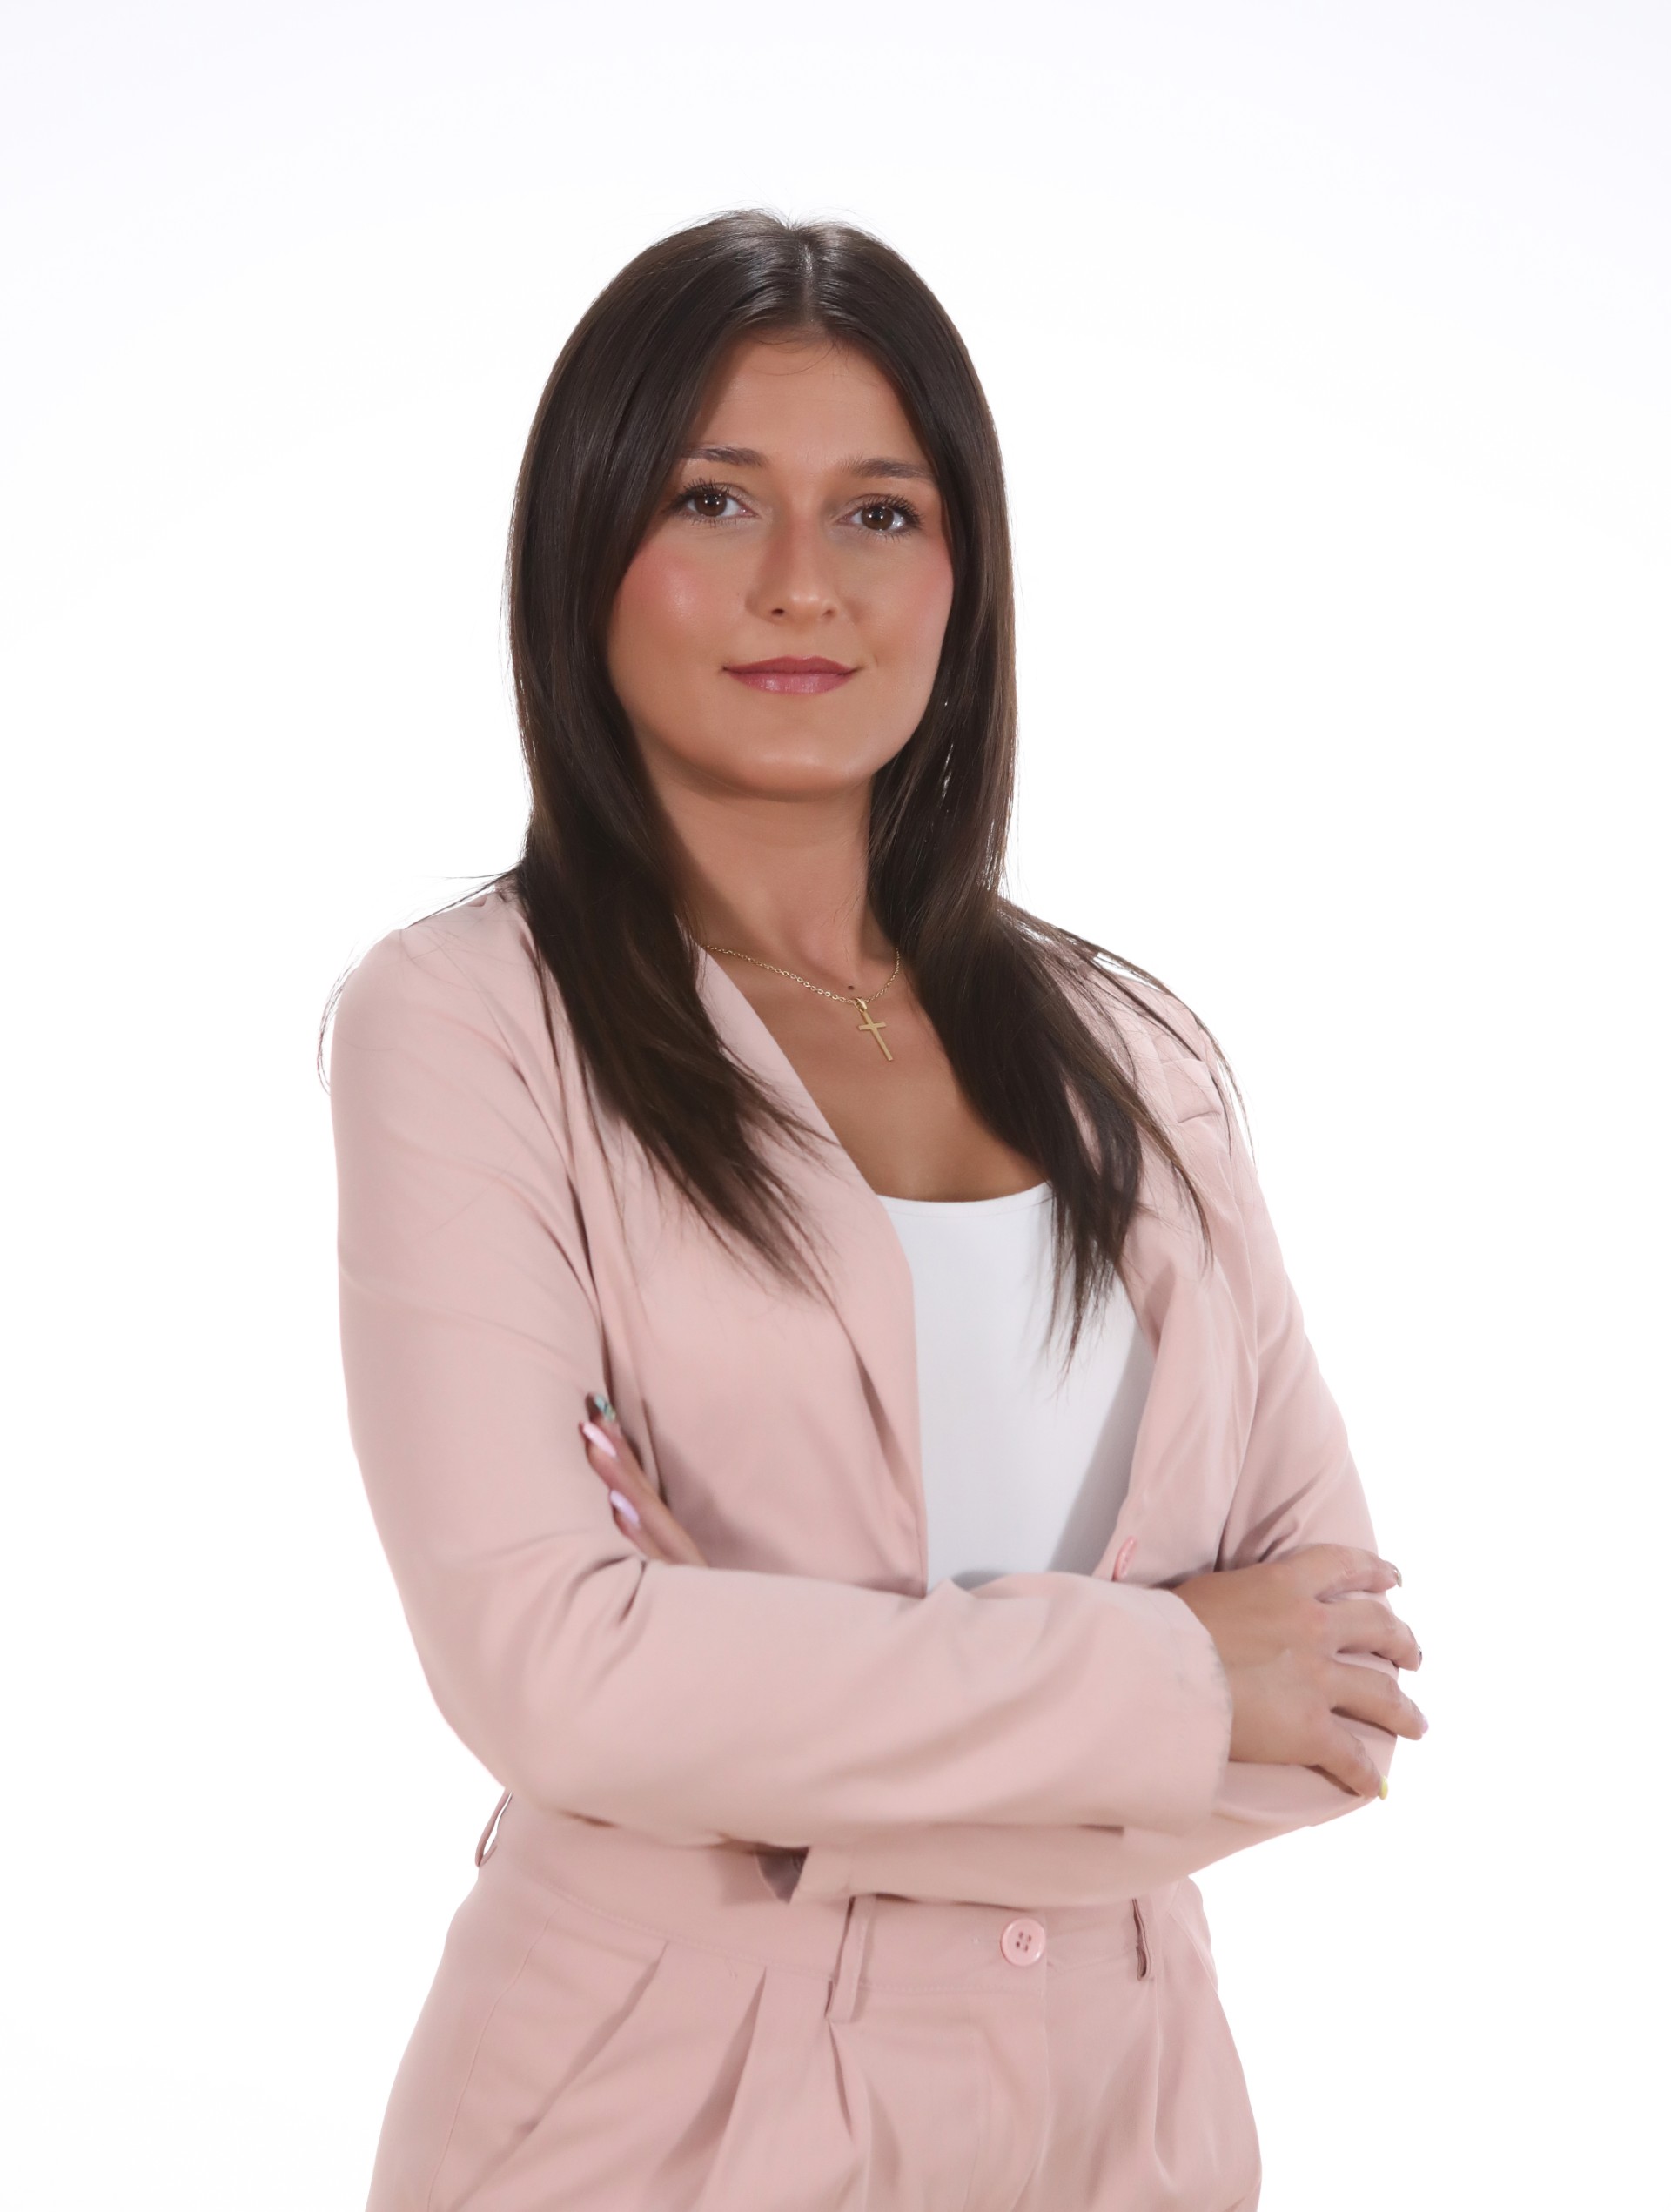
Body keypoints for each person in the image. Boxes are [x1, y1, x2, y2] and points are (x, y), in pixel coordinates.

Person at [328, 210, 1426, 2212]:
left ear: (963, 576)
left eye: (880, 513)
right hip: (656, 2117)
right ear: (581, 546)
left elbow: (1333, 1685)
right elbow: (554, 1672)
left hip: (1129, 2111)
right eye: (715, 496)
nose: (801, 583)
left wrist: (755, 1739)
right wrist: (1167, 1684)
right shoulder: (469, 1022)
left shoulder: (1131, 1050)